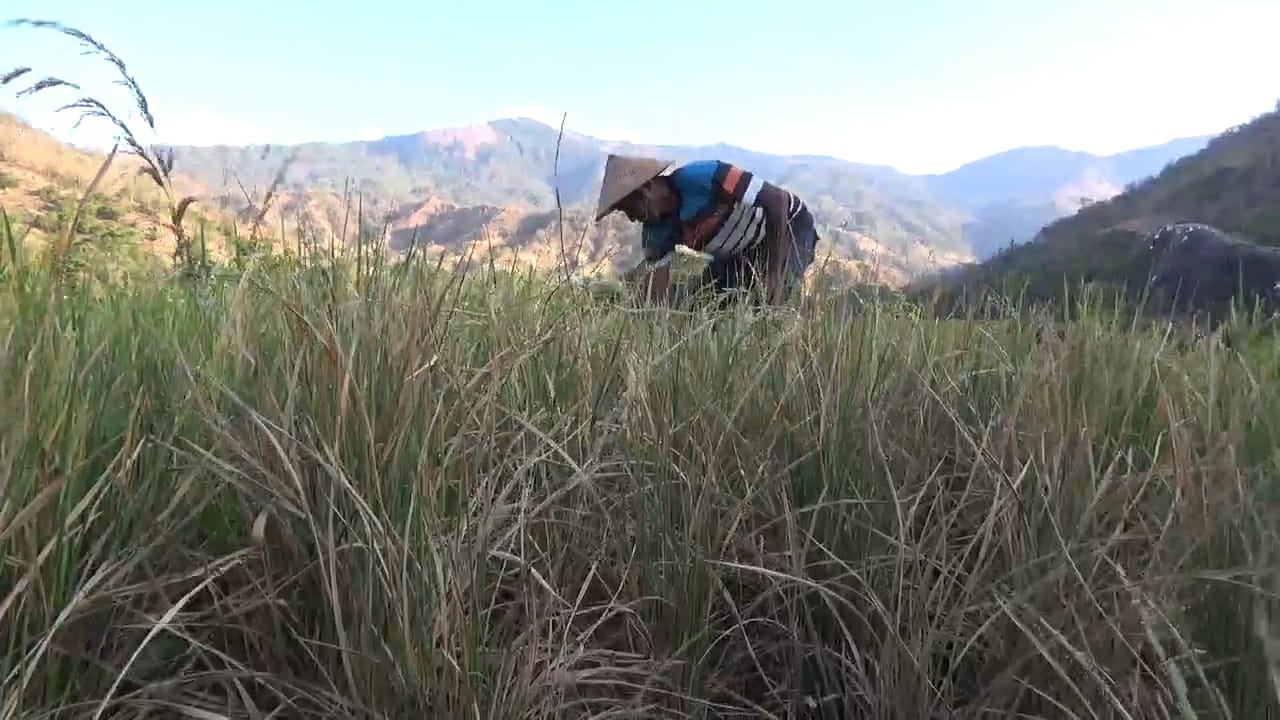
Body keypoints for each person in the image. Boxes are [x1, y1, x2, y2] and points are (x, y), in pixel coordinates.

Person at [594, 154, 820, 307]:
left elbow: (777, 200)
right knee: (708, 303)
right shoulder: (656, 233)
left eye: (630, 207)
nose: (632, 218)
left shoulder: (702, 177)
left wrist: (773, 275)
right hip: (740, 253)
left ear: (647, 187)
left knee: (774, 299)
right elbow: (658, 289)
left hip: (789, 228)